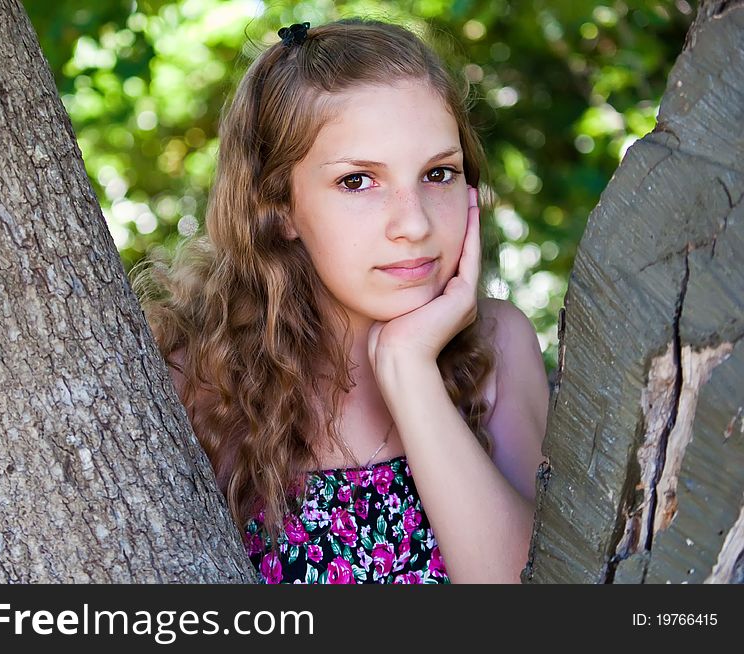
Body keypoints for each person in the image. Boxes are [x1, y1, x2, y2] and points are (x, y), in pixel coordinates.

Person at [134, 17, 549, 584]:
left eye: (438, 173)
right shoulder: (197, 380)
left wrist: (408, 369)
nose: (414, 223)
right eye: (358, 181)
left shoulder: (498, 347)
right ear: (277, 207)